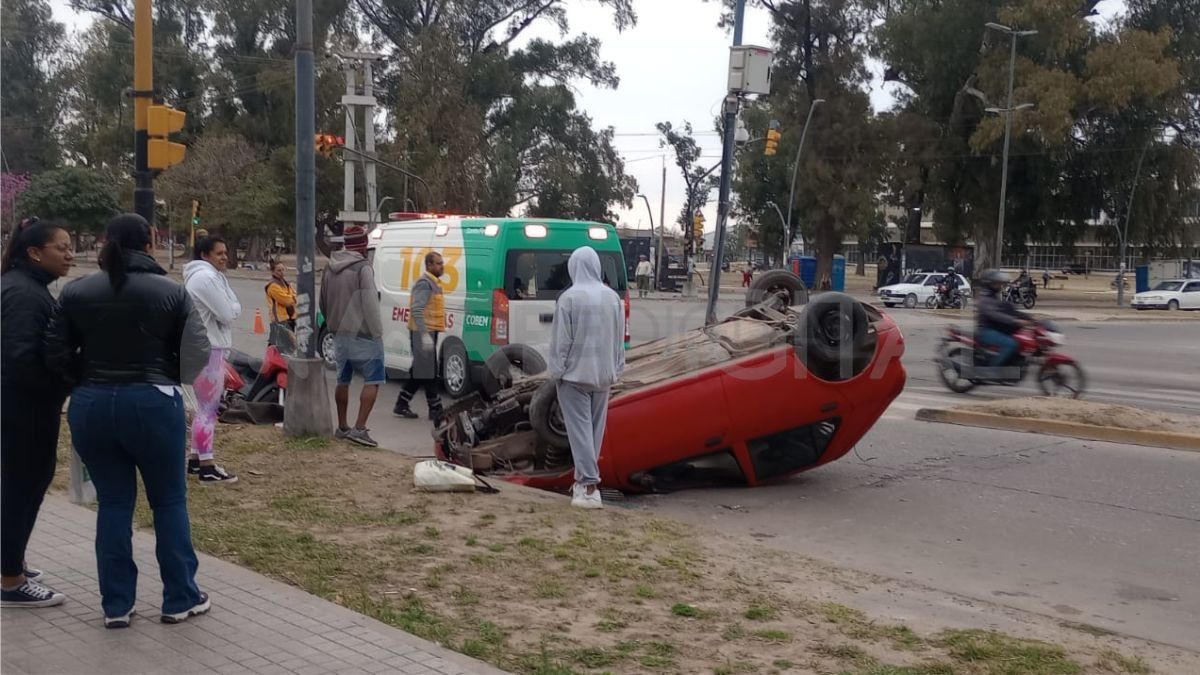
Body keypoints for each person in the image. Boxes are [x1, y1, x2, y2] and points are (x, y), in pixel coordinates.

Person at [44, 213, 212, 628]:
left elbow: (54, 351)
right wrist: (168, 375)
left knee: (114, 504)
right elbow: (196, 354)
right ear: (151, 243)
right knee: (169, 501)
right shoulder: (171, 293)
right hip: (153, 400)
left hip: (92, 403)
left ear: (105, 243)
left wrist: (83, 380)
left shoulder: (76, 290)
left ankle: (116, 605)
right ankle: (179, 597)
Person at [1, 218, 73, 608]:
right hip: (22, 409)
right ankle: (10, 580)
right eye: (60, 248)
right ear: (34, 253)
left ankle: (12, 563)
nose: (69, 254)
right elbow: (22, 359)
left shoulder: (26, 287)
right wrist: (64, 381)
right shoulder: (25, 295)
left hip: (25, 406)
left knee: (24, 486)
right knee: (20, 490)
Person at [548, 247, 625, 510]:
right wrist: (617, 367)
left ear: (574, 267)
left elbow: (562, 342)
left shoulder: (569, 298)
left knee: (579, 432)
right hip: (603, 374)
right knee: (594, 432)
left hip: (575, 375)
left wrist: (556, 372)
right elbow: (619, 337)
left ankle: (590, 486)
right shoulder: (613, 298)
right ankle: (583, 483)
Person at [182, 236, 240, 483]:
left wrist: (231, 308)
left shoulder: (212, 276)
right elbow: (228, 312)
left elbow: (233, 307)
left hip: (205, 347)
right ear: (205, 255)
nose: (224, 257)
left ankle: (196, 459)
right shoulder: (205, 279)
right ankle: (207, 465)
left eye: (225, 252)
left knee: (205, 408)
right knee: (208, 410)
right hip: (209, 349)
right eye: (219, 253)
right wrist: (231, 308)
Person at [320, 230, 384, 447]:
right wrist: (377, 332)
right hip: (363, 334)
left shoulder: (330, 267)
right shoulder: (363, 267)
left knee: (342, 379)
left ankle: (342, 426)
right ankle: (359, 428)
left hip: (338, 333)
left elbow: (323, 301)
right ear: (363, 246)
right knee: (373, 379)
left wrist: (332, 325)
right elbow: (370, 303)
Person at [394, 252, 446, 424]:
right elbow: (417, 310)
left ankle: (402, 403)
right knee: (429, 370)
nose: (442, 266)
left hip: (428, 332)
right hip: (421, 332)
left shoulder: (434, 283)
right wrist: (424, 335)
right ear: (429, 265)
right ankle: (435, 408)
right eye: (438, 263)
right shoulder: (425, 284)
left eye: (442, 263)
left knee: (420, 370)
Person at [975, 269, 1033, 371]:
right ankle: (990, 371)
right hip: (985, 331)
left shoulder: (993, 296)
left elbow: (1006, 310)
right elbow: (996, 315)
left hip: (996, 329)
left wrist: (1027, 318)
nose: (1000, 286)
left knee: (1020, 339)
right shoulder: (985, 298)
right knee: (1011, 344)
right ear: (990, 284)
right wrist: (1015, 321)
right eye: (997, 283)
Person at [265, 259, 297, 329]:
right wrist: (294, 298)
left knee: (291, 339)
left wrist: (292, 297)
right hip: (280, 320)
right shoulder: (273, 286)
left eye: (283, 270)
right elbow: (286, 301)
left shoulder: (285, 283)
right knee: (286, 339)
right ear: (273, 272)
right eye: (279, 270)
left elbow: (293, 294)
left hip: (289, 318)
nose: (282, 272)